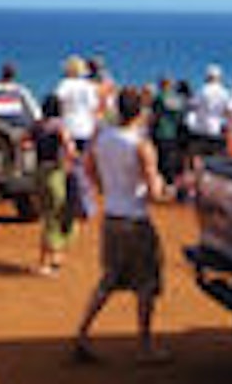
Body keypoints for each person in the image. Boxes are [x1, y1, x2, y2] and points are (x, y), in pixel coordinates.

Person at [75, 87, 172, 366]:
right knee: (146, 283)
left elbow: (89, 167)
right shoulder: (141, 146)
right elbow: (154, 191)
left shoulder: (103, 137)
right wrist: (170, 190)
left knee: (108, 280)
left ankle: (82, 333)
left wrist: (106, 190)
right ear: (140, 112)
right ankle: (144, 346)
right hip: (136, 220)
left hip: (112, 217)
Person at [34, 94, 78, 276]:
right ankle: (51, 260)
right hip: (55, 173)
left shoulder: (37, 126)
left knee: (47, 216)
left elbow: (23, 142)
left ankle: (49, 258)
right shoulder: (59, 128)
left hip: (40, 172)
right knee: (57, 215)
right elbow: (70, 149)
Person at [55, 56, 100, 152]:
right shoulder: (88, 86)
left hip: (69, 127)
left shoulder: (64, 85)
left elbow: (57, 104)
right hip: (87, 127)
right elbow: (94, 107)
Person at [151, 77, 187, 185]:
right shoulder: (178, 99)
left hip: (161, 132)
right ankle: (171, 181)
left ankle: (162, 182)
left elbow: (155, 114)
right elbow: (181, 115)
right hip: (173, 132)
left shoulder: (160, 97)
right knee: (171, 158)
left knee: (161, 159)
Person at [190, 65, 230, 159]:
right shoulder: (224, 92)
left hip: (201, 127)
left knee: (199, 155)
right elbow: (227, 111)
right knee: (216, 155)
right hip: (217, 128)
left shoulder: (202, 90)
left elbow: (193, 105)